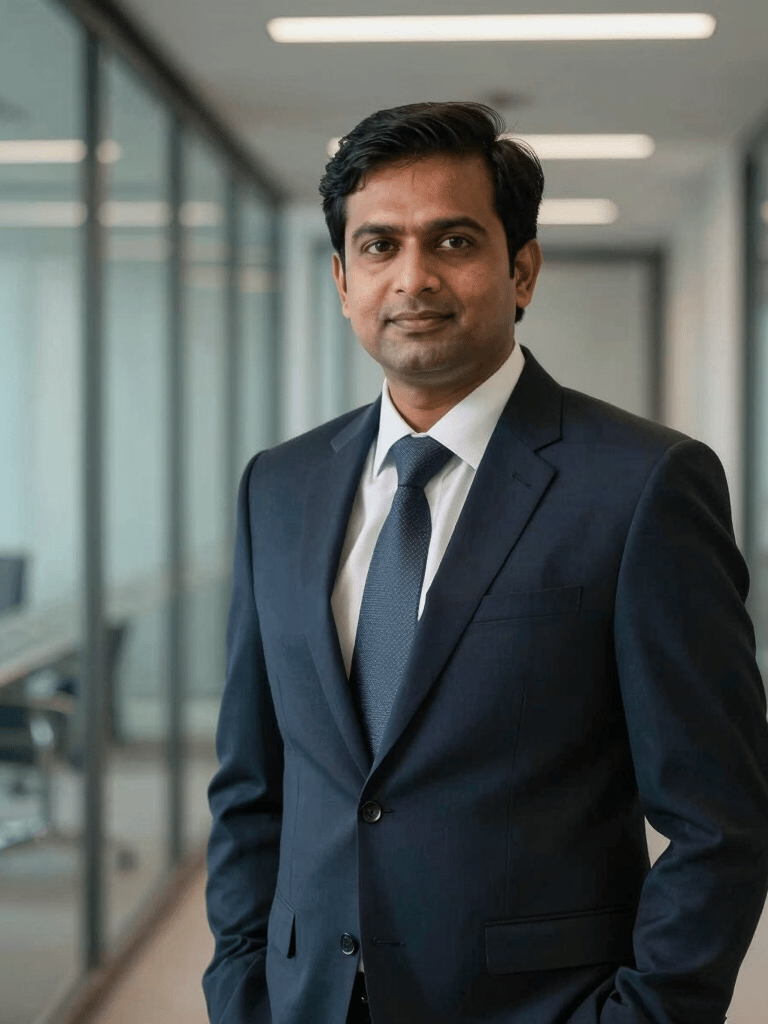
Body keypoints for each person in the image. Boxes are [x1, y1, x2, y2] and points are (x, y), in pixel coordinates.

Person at [203, 101, 768, 1024]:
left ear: (522, 270)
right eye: (379, 246)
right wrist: (242, 988)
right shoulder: (280, 487)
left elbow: (722, 819)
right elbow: (251, 787)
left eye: (454, 240)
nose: (413, 278)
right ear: (343, 280)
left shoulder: (643, 486)